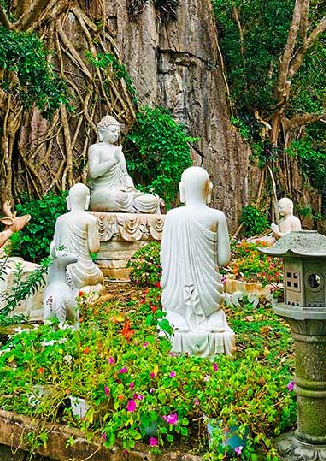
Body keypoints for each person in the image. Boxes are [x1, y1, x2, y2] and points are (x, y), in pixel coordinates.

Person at [160, 166, 235, 357]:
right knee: (215, 311)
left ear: (181, 190)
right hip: (209, 295)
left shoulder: (172, 216)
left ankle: (177, 318)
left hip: (176, 297)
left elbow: (164, 258)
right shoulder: (217, 216)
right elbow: (224, 259)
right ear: (208, 190)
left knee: (171, 307)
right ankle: (212, 318)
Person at [88, 115, 160, 214]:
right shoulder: (96, 149)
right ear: (102, 132)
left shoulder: (119, 152)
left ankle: (134, 205)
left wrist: (129, 186)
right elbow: (93, 172)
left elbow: (124, 175)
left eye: (117, 132)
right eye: (113, 131)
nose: (116, 134)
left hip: (122, 192)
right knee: (114, 198)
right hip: (103, 192)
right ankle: (133, 206)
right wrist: (113, 161)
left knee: (151, 199)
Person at [52, 182, 103, 292]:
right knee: (100, 277)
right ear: (87, 200)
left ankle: (77, 291)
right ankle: (86, 292)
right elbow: (94, 248)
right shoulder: (90, 220)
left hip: (64, 273)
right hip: (85, 272)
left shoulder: (60, 220)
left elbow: (55, 248)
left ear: (68, 200)